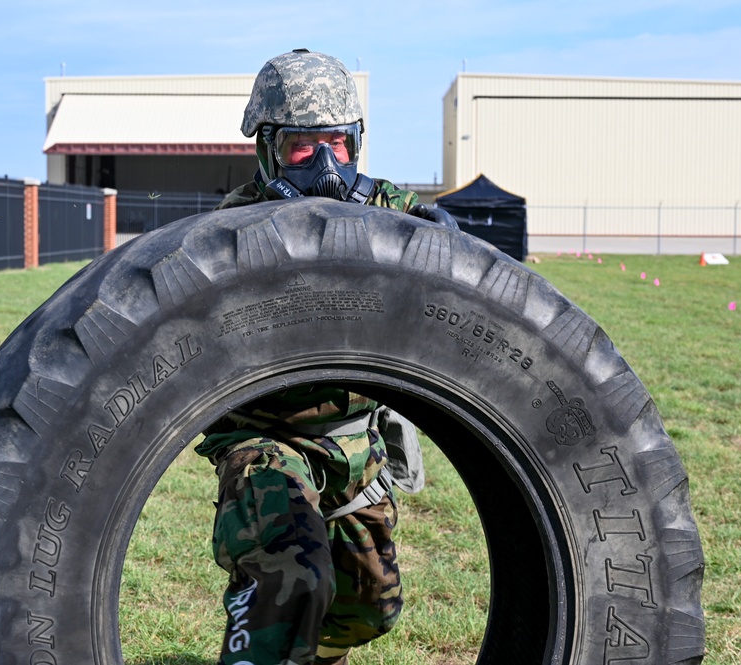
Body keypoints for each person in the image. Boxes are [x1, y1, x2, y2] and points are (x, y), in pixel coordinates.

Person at [194, 49, 431, 665]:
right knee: (291, 578)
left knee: (367, 610)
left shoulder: (388, 213)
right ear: (268, 146)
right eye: (304, 145)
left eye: (338, 143)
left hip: (353, 439)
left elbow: (457, 276)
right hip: (264, 435)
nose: (326, 163)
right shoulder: (233, 230)